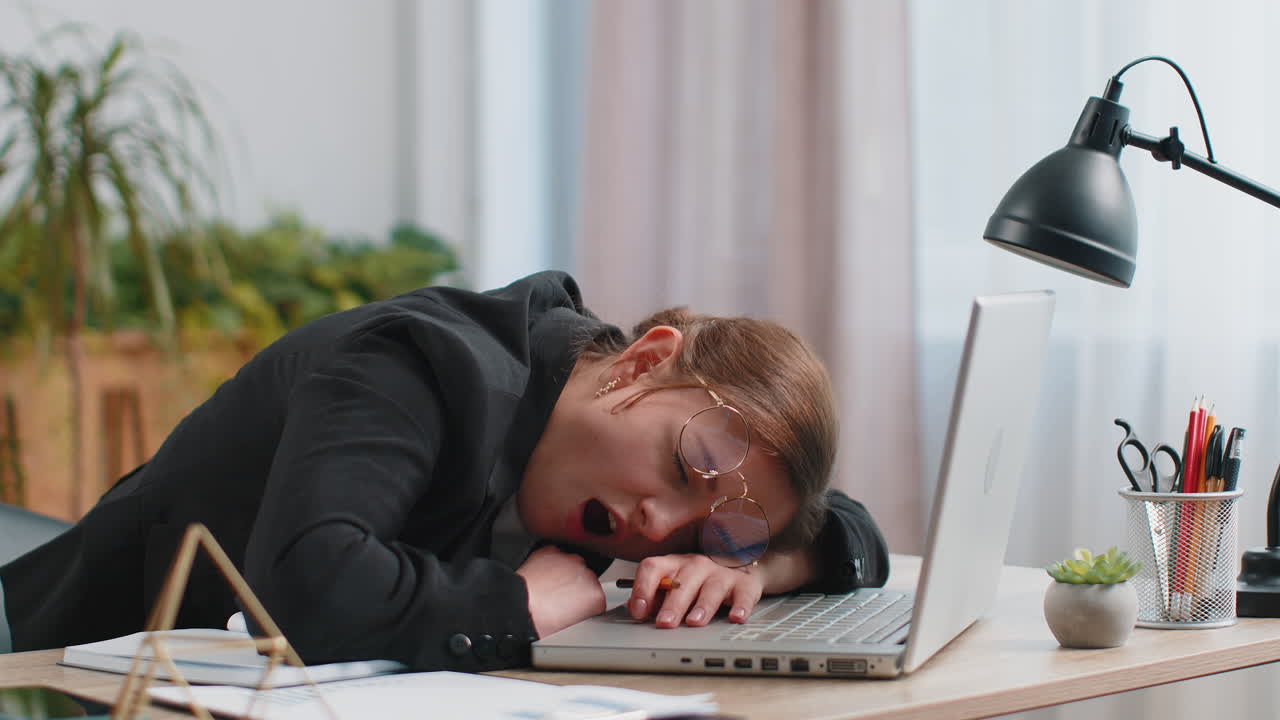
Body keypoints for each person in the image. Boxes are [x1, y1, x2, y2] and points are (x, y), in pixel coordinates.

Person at [0, 271, 888, 670]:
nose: (661, 527)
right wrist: (521, 605)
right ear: (643, 363)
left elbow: (845, 527)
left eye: (706, 521)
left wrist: (748, 563)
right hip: (59, 676)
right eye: (686, 467)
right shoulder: (416, 365)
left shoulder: (614, 438)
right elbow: (309, 585)